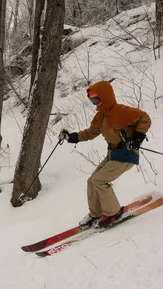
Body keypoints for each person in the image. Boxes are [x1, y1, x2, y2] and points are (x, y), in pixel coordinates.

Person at [59, 80, 151, 229]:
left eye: (96, 99)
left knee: (99, 181)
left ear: (105, 97)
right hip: (113, 154)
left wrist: (137, 138)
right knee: (92, 181)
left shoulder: (121, 111)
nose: (94, 103)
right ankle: (96, 213)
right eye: (92, 100)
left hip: (127, 153)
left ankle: (113, 213)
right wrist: (71, 137)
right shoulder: (101, 116)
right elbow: (91, 132)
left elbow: (144, 118)